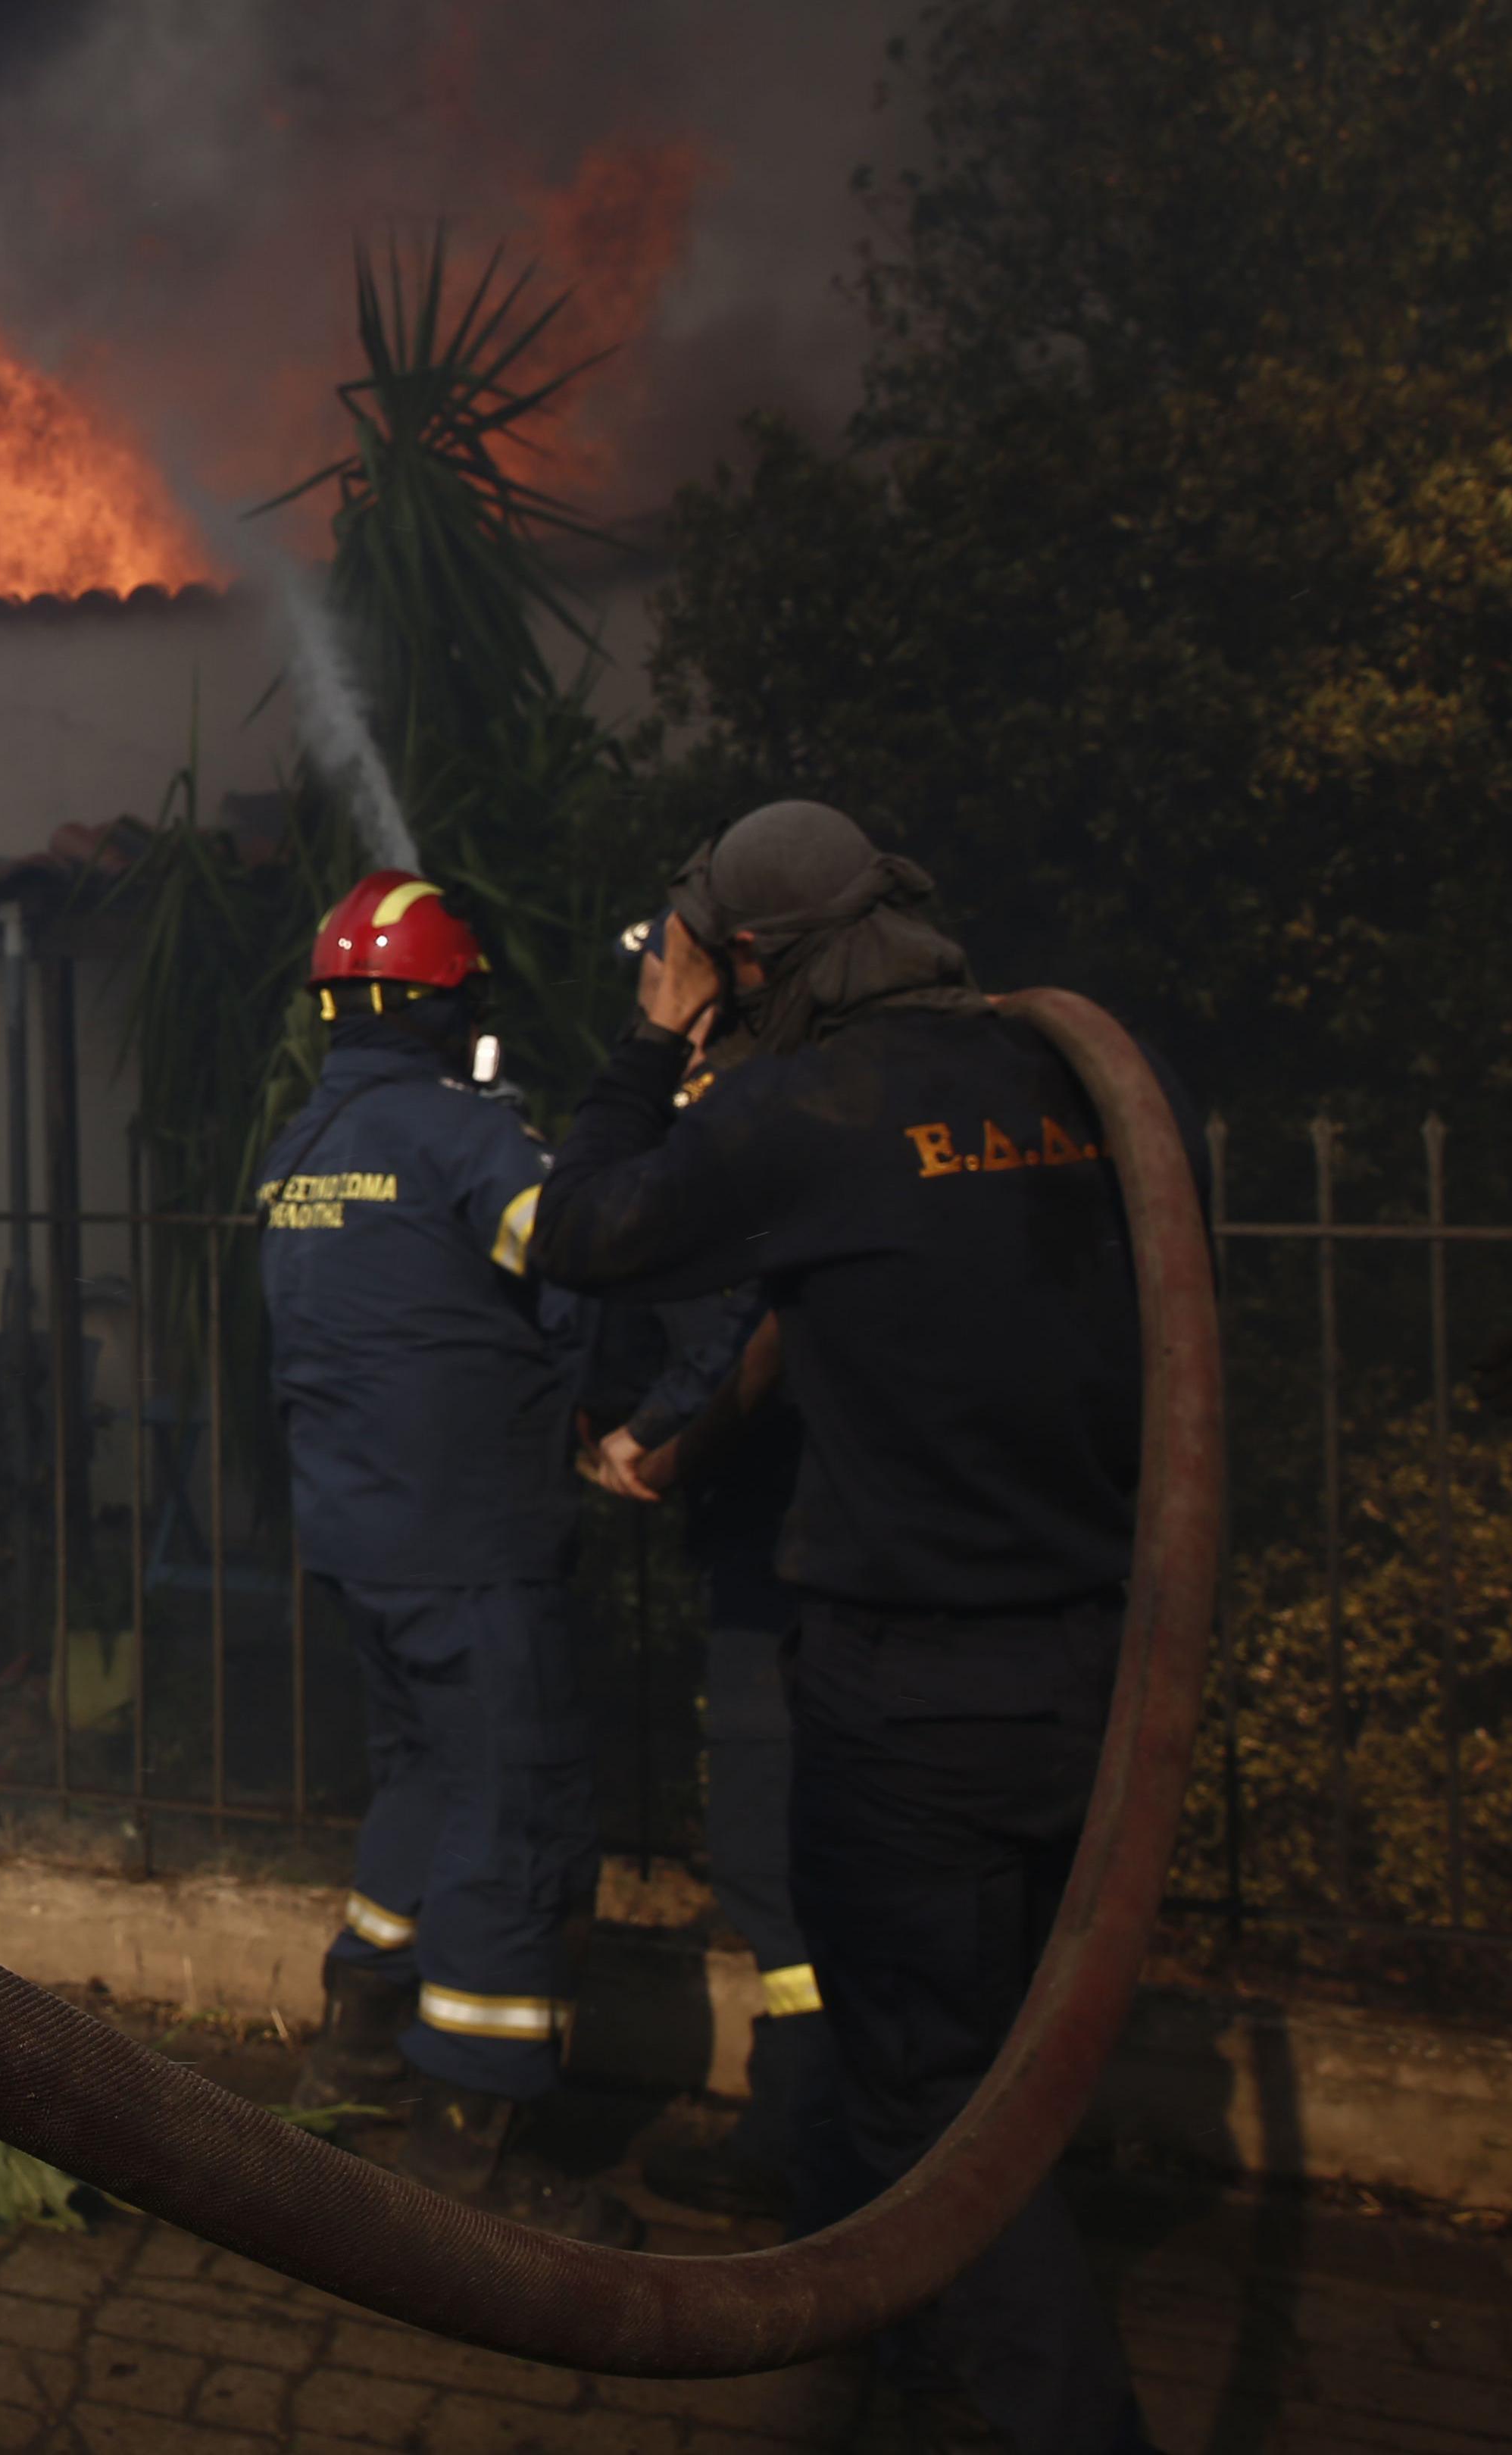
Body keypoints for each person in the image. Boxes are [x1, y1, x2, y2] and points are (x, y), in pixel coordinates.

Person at [533, 800, 1185, 2455]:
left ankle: (1052, 2419)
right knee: (1017, 2066)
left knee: (930, 2101)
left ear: (747, 960)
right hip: (1101, 1670)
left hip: (918, 1688)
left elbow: (587, 1232)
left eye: (707, 964)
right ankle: (932, 2371)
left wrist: (651, 1038)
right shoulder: (1066, 1081)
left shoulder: (803, 1106)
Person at [255, 870, 633, 2248]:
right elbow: (578, 1253)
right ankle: (468, 2141)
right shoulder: (464, 1141)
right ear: (447, 1002)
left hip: (360, 1540)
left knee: (421, 1778)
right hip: (472, 1541)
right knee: (512, 1811)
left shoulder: (304, 1148)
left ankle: (355, 2048)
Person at [583, 1282, 847, 2223]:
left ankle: (802, 2133)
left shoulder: (757, 1159)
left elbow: (733, 1323)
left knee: (764, 1856)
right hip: (851, 1549)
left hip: (779, 1558)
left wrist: (650, 1426)